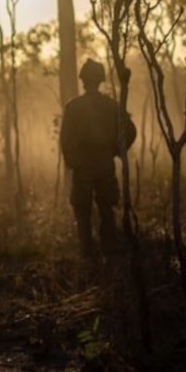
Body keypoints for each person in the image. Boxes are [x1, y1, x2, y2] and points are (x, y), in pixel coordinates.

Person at [60, 59, 137, 257]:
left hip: (85, 164)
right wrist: (114, 151)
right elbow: (130, 131)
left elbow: (65, 140)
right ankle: (108, 251)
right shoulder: (112, 106)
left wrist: (75, 162)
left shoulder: (73, 107)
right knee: (106, 208)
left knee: (83, 210)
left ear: (83, 81)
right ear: (100, 80)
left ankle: (89, 253)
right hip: (103, 162)